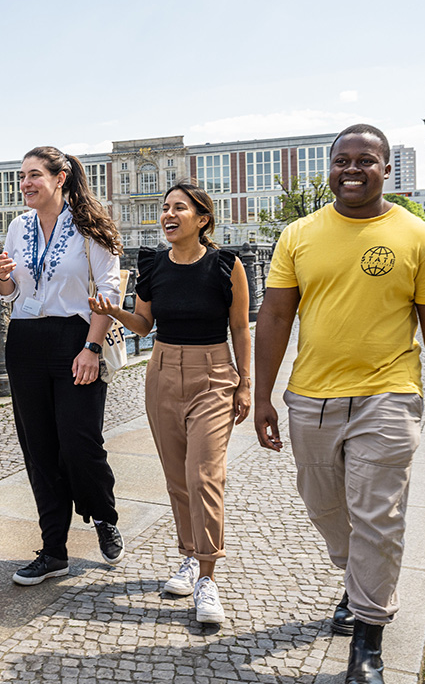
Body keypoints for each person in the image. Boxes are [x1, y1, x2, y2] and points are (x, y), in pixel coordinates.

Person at [253, 124, 425, 684]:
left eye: (365, 160)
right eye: (342, 160)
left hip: (389, 397)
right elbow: (275, 315)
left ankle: (368, 641)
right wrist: (262, 396)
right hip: (311, 399)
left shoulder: (418, 236)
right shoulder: (299, 235)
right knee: (324, 508)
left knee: (377, 515)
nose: (352, 169)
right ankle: (359, 582)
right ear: (329, 169)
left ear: (385, 169)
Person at [90, 181, 251, 624]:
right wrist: (112, 311)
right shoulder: (152, 265)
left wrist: (245, 384)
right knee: (178, 478)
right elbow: (144, 325)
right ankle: (189, 557)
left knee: (204, 476)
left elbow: (240, 328)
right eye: (165, 207)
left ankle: (208, 577)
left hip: (213, 375)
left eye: (180, 207)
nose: (168, 214)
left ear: (202, 219)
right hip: (162, 373)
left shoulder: (226, 264)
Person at [0, 146, 124, 587]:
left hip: (76, 339)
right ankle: (53, 551)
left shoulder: (90, 226)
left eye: (34, 174)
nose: (25, 183)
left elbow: (109, 291)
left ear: (59, 177)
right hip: (26, 341)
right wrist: (3, 277)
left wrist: (91, 346)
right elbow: (11, 295)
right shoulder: (18, 226)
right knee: (40, 450)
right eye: (22, 176)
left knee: (80, 443)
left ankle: (103, 516)